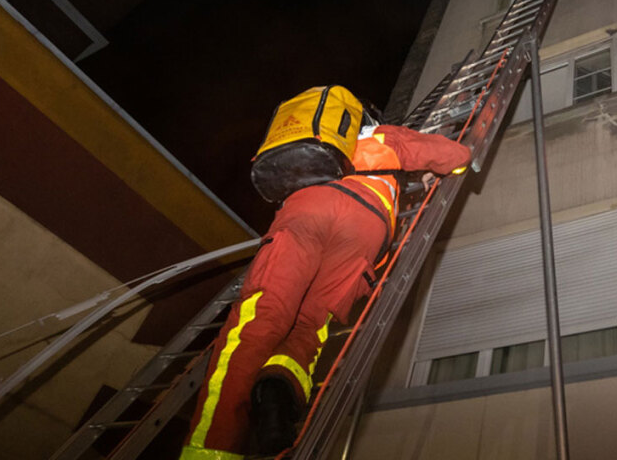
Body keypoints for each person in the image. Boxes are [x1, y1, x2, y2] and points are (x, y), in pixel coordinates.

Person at [179, 95, 471, 460]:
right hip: (363, 231)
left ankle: (211, 449)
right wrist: (454, 170)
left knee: (257, 322)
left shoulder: (322, 149)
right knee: (310, 329)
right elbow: (455, 157)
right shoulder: (385, 137)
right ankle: (279, 388)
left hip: (307, 214)